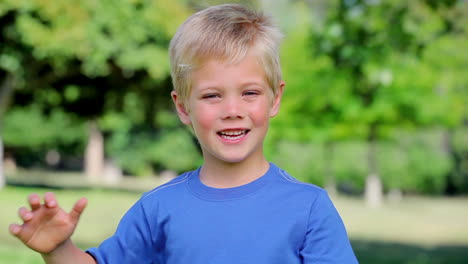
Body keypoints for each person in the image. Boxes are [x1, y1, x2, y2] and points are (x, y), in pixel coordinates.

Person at [9, 4, 359, 264]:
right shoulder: (159, 208)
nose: (232, 110)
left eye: (249, 93)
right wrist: (58, 249)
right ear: (182, 107)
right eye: (211, 95)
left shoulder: (310, 208)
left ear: (275, 98)